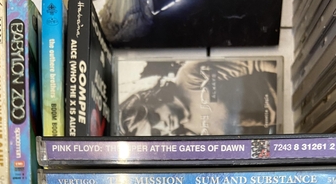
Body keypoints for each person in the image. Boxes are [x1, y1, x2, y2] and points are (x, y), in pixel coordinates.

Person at [118, 58, 280, 136]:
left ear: (153, 99)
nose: (163, 126)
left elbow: (256, 62)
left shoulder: (189, 76)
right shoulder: (191, 135)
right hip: (282, 121)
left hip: (281, 84)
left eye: (155, 117)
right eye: (155, 132)